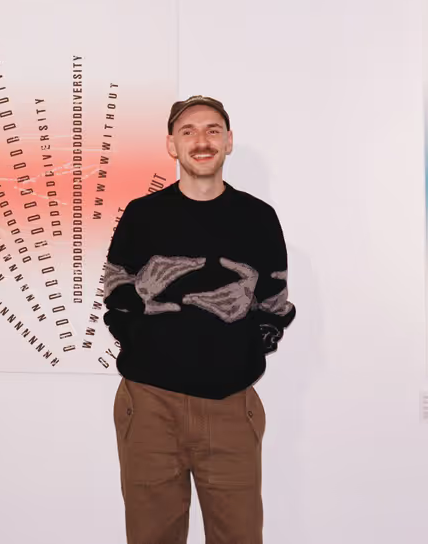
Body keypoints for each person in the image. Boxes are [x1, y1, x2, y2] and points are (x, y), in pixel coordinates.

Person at [103, 94, 296, 544]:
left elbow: (275, 302)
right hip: (149, 407)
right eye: (187, 131)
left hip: (230, 407)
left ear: (229, 142)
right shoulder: (141, 215)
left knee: (239, 537)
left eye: (212, 130)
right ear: (171, 145)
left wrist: (234, 354)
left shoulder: (259, 219)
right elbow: (116, 291)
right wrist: (147, 347)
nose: (201, 141)